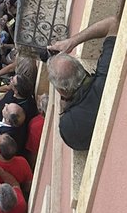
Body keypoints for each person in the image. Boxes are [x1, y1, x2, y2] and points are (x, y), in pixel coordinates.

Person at [47, 13, 121, 149]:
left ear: (61, 91)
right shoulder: (106, 74)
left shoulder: (69, 125)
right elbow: (113, 23)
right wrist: (72, 42)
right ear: (81, 68)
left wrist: (66, 107)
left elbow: (77, 145)